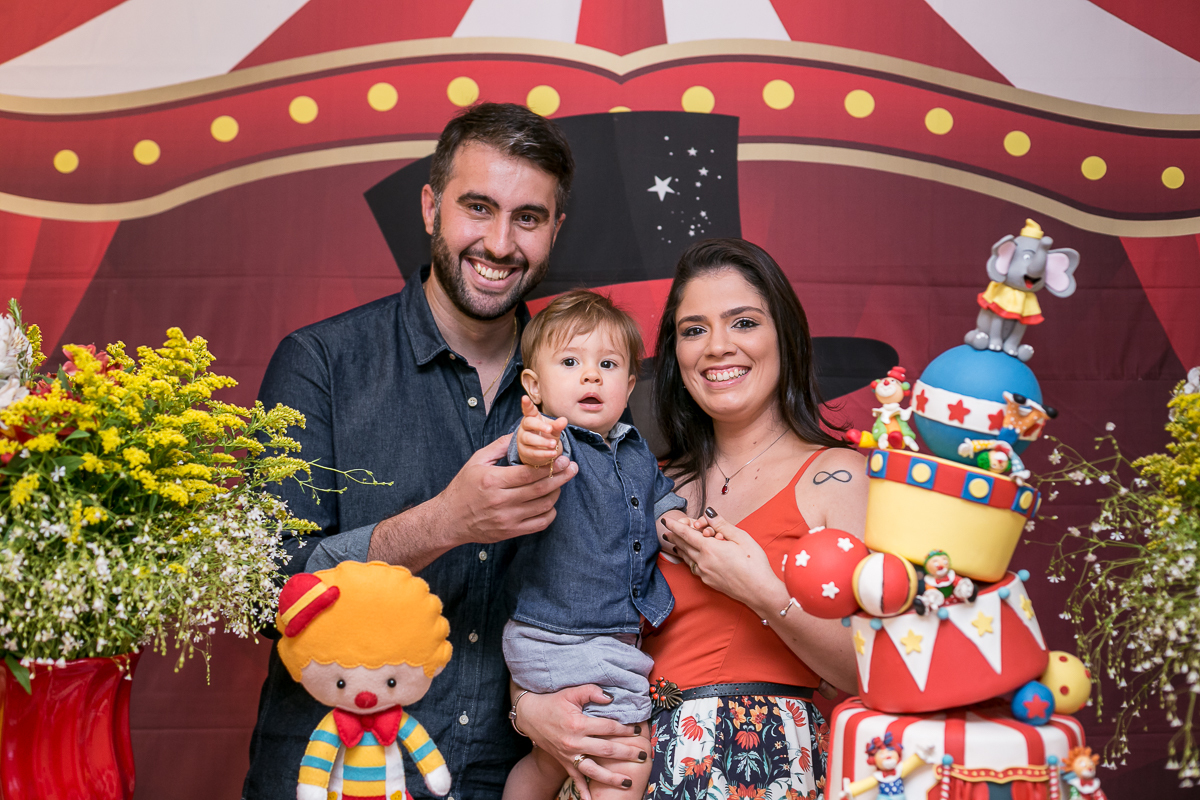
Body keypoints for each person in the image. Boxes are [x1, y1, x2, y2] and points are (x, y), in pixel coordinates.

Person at [243, 103, 641, 800]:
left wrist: (536, 707)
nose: (498, 242)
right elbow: (263, 595)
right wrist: (446, 523)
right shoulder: (320, 364)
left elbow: (606, 587)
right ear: (431, 207)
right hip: (337, 777)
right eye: (477, 208)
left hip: (507, 777)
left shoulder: (589, 388)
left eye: (528, 217)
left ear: (555, 231)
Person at [639, 238, 867, 798]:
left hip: (761, 768)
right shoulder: (647, 480)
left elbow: (869, 673)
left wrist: (762, 591)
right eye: (694, 330)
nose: (717, 347)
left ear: (783, 336)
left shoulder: (837, 476)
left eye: (743, 322)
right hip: (628, 768)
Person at [501, 290, 687, 800]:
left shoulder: (635, 449)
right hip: (561, 636)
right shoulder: (551, 440)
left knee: (546, 760)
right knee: (629, 749)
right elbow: (524, 465)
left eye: (607, 364)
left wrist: (679, 526)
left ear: (628, 386)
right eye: (570, 362)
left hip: (595, 637)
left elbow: (660, 501)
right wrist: (532, 447)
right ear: (533, 388)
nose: (590, 376)